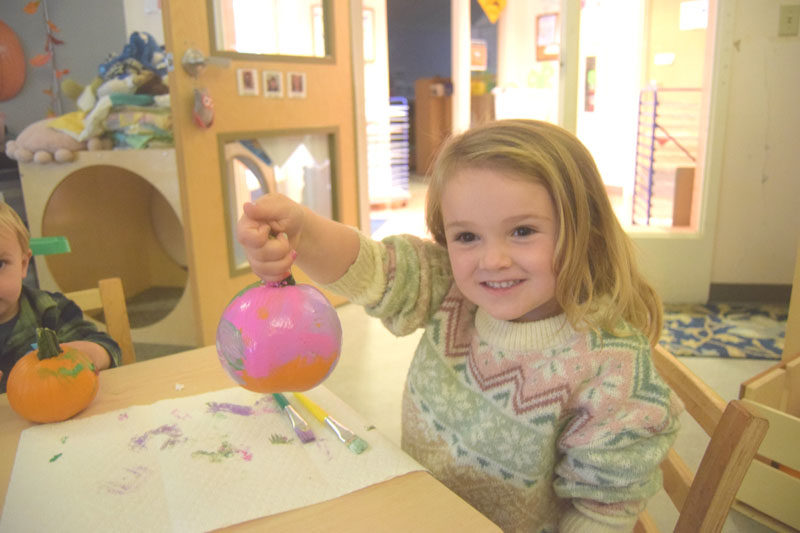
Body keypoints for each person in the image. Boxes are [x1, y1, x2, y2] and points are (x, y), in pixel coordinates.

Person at [237, 119, 681, 532]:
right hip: (419, 510)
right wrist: (302, 234)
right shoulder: (450, 287)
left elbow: (602, 512)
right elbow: (372, 269)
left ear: (585, 230)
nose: (492, 261)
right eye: (467, 237)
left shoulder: (612, 368)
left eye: (523, 231)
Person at [0, 201, 120, 393]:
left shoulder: (50, 310)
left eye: (0, 264)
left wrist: (85, 353)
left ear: (23, 265)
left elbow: (108, 349)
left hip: (56, 412)